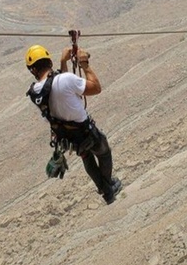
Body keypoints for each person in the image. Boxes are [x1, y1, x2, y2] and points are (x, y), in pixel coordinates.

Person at [25, 44, 122, 204]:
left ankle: (106, 191)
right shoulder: (65, 79)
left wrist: (63, 63)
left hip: (68, 136)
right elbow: (96, 88)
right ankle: (108, 189)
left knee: (86, 156)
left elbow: (58, 90)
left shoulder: (35, 92)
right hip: (86, 130)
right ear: (49, 61)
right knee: (104, 153)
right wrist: (84, 64)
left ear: (33, 70)